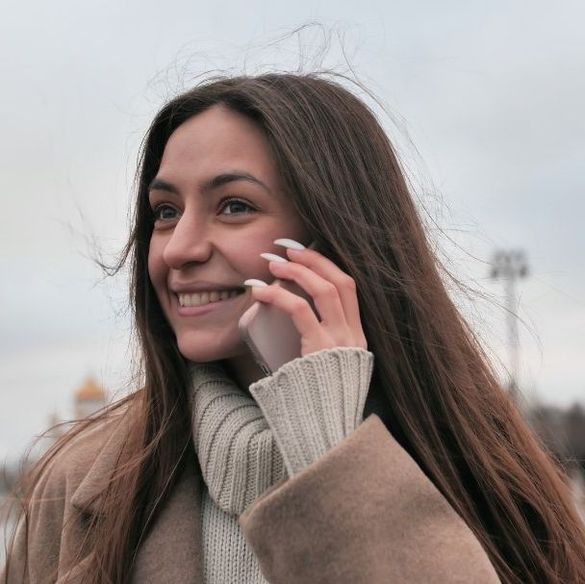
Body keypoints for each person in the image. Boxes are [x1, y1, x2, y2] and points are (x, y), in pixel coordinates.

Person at [2, 73, 585, 584]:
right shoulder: (75, 482)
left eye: (234, 206)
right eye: (165, 212)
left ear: (333, 236)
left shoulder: (483, 477)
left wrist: (330, 448)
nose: (178, 249)